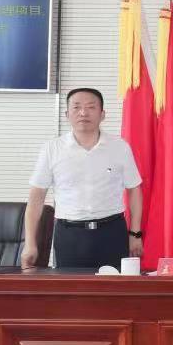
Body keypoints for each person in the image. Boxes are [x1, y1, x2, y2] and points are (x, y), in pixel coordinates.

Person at [24, 87, 143, 270]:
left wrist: (135, 234)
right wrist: (30, 243)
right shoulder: (52, 149)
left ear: (102, 114)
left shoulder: (120, 147)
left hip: (112, 233)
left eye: (91, 107)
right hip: (69, 235)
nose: (83, 113)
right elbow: (36, 199)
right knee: (70, 287)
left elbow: (134, 189)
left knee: (114, 286)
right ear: (67, 114)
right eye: (76, 107)